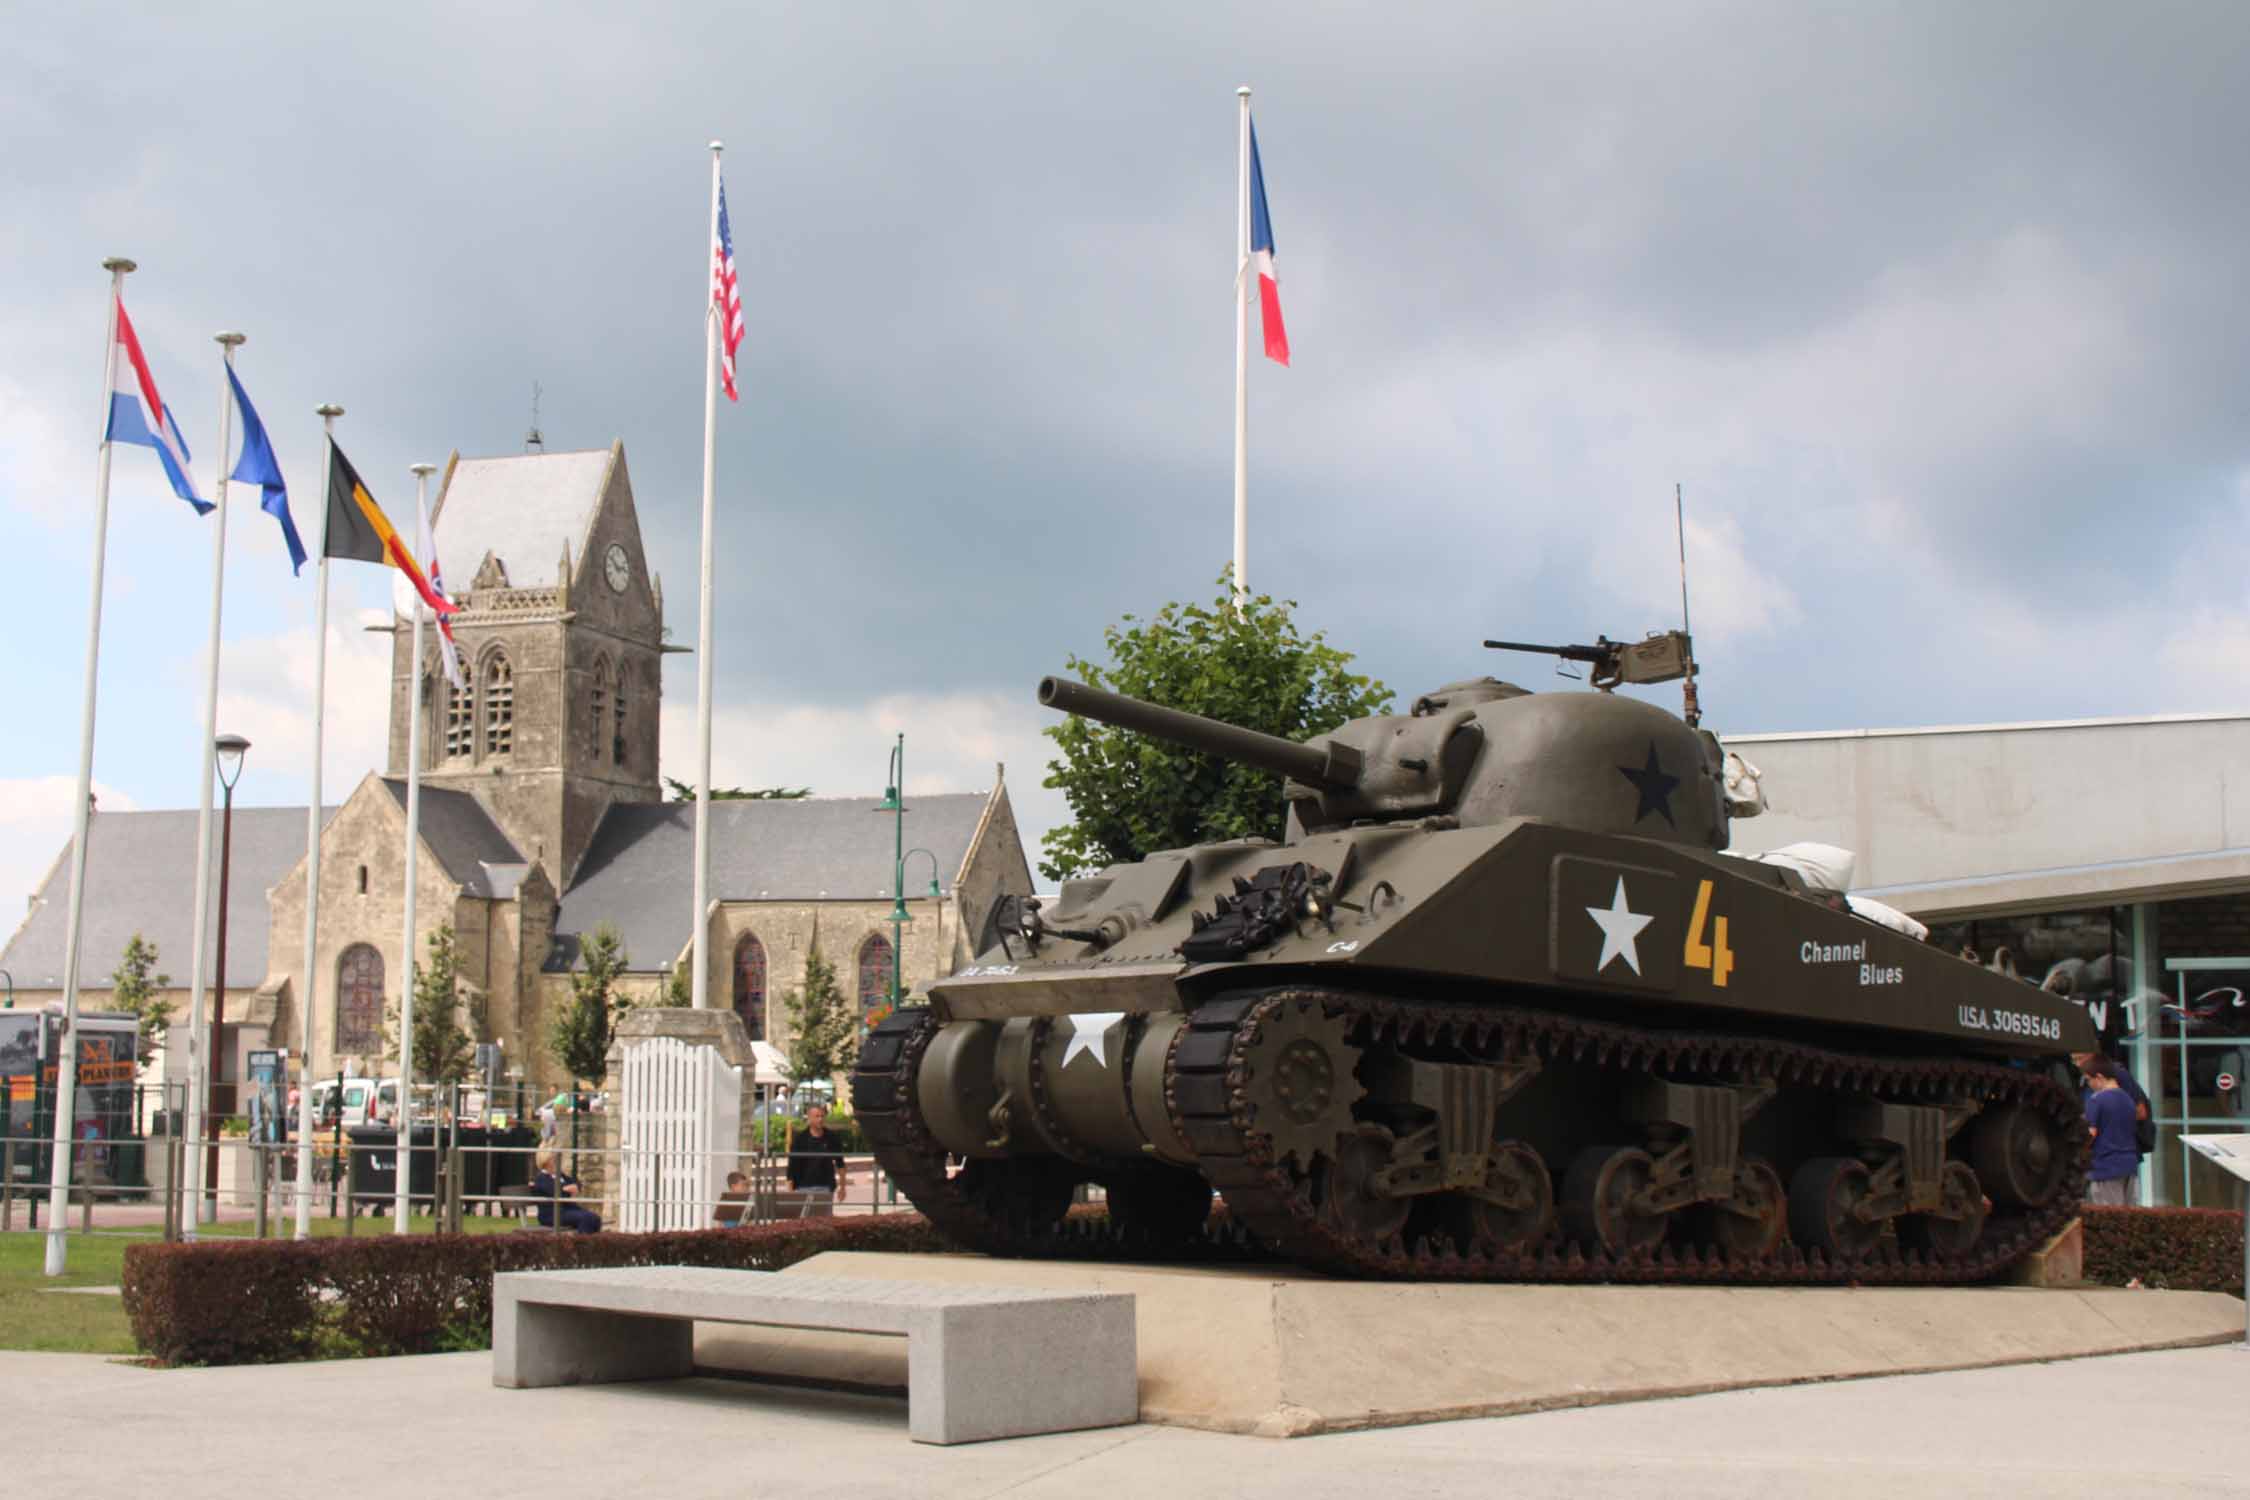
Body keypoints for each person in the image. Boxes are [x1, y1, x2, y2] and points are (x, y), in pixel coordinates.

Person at [2079, 1056, 2140, 1207]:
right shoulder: (2128, 1099)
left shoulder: (2096, 1100)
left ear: (2099, 1077)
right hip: (2130, 1165)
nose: (2089, 1084)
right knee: (2128, 1219)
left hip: (2105, 1168)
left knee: (2108, 1220)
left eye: (2088, 1079)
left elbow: (2090, 1134)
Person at [785, 1103, 847, 1214]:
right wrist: (790, 1190)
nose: (820, 1119)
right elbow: (792, 1166)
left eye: (822, 1116)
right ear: (809, 1118)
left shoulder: (831, 1137)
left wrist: (842, 1187)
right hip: (802, 1187)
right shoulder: (800, 1139)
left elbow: (840, 1164)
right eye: (817, 1116)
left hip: (825, 1186)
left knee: (824, 1221)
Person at [528, 1148, 602, 1233]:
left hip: (567, 1210)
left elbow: (575, 1183)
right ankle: (582, 1245)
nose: (557, 1161)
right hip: (551, 1215)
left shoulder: (560, 1175)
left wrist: (573, 1187)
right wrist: (567, 1188)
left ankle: (593, 1244)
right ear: (546, 1161)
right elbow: (556, 1192)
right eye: (554, 1159)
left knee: (595, 1218)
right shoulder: (541, 1178)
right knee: (586, 1218)